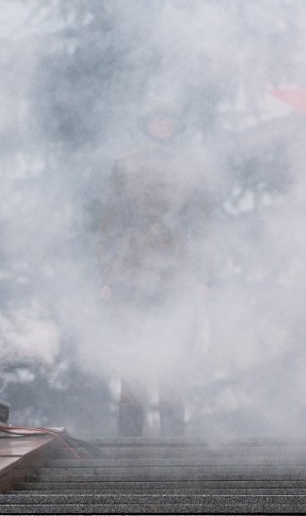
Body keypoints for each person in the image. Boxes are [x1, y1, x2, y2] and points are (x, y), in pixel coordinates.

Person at [98, 98, 214, 437]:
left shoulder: (192, 169)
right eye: (157, 120)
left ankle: (173, 440)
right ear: (147, 124)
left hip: (177, 268)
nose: (162, 125)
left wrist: (204, 276)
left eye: (168, 120)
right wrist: (108, 276)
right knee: (133, 350)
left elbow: (203, 227)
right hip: (132, 268)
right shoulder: (124, 166)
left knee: (176, 350)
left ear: (176, 126)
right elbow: (110, 225)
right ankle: (129, 441)